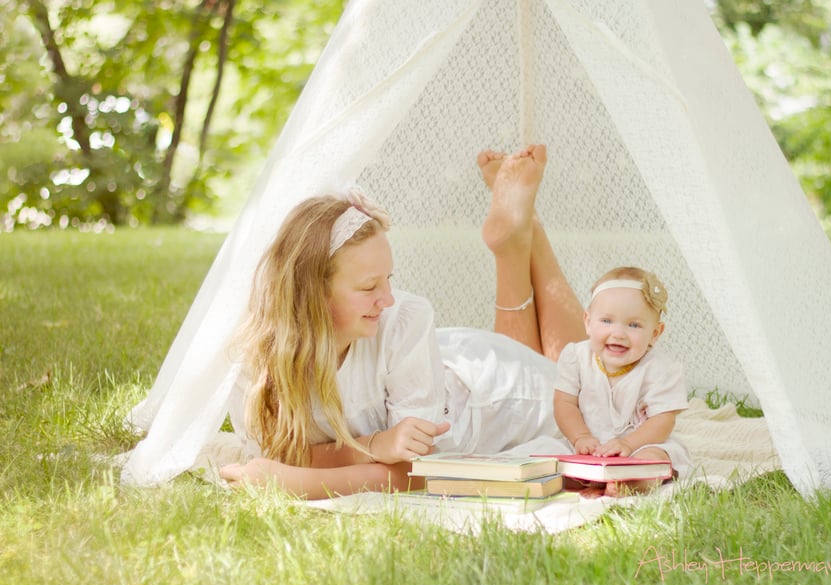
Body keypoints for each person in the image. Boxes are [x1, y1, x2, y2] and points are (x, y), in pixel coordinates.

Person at [219, 145, 587, 499]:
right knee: (563, 364)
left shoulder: (403, 319)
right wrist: (374, 446)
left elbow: (413, 474)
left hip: (504, 395)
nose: (388, 299)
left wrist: (294, 482)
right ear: (311, 294)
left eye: (388, 279)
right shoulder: (256, 361)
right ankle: (520, 235)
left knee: (586, 382)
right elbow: (287, 454)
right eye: (368, 287)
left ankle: (525, 234)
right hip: (454, 369)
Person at [553, 266, 690, 496]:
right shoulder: (576, 357)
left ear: (655, 334)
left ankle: (632, 483)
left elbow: (663, 420)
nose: (618, 333)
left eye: (634, 325)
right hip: (586, 443)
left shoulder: (660, 369)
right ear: (587, 321)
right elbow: (564, 403)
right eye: (606, 321)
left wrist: (628, 445)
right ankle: (582, 478)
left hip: (639, 443)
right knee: (550, 455)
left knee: (655, 458)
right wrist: (580, 436)